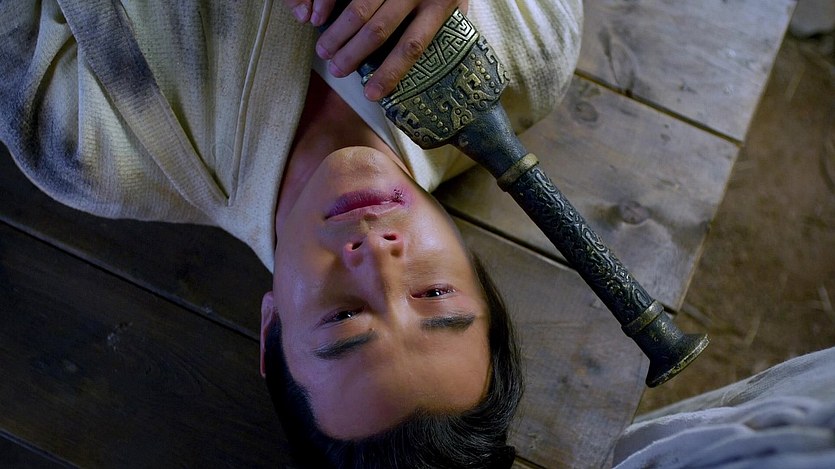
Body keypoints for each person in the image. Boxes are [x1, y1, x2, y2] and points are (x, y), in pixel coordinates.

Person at [0, 0, 583, 467]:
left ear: (270, 325)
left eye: (344, 317)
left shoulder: (93, 146)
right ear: (477, 275)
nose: (379, 258)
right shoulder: (528, 55)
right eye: (433, 294)